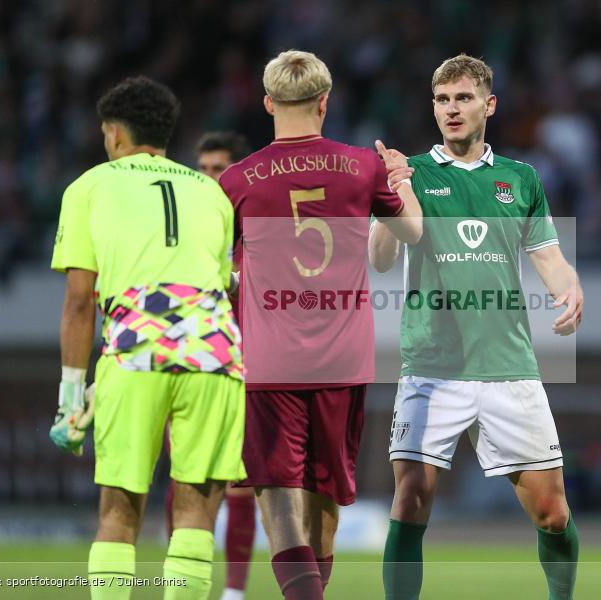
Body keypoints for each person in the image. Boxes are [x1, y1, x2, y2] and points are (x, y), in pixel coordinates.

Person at [370, 54, 583, 600]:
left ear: (488, 105)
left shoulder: (520, 178)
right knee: (410, 498)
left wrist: (570, 286)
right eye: (442, 100)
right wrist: (392, 193)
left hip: (507, 367)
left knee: (552, 512)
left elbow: (548, 257)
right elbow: (381, 258)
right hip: (431, 367)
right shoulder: (412, 172)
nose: (451, 109)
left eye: (463, 98)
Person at [219, 50, 422, 600]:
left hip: (269, 363)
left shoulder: (236, 180)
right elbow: (412, 232)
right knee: (325, 498)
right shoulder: (363, 166)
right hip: (343, 360)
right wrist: (401, 178)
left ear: (268, 103)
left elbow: (213, 268)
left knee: (278, 500)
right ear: (324, 102)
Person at [49, 76, 245, 600]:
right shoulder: (211, 191)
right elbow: (221, 281)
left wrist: (71, 396)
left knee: (119, 512)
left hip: (135, 346)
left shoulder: (90, 186)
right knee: (196, 516)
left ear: (113, 132)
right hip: (215, 349)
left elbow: (79, 300)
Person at [158, 130, 255, 600]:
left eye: (220, 169)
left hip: (244, 371)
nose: (210, 178)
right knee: (182, 479)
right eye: (203, 169)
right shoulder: (184, 234)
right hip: (188, 366)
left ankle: (234, 592)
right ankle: (178, 581)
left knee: (239, 486)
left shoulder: (255, 234)